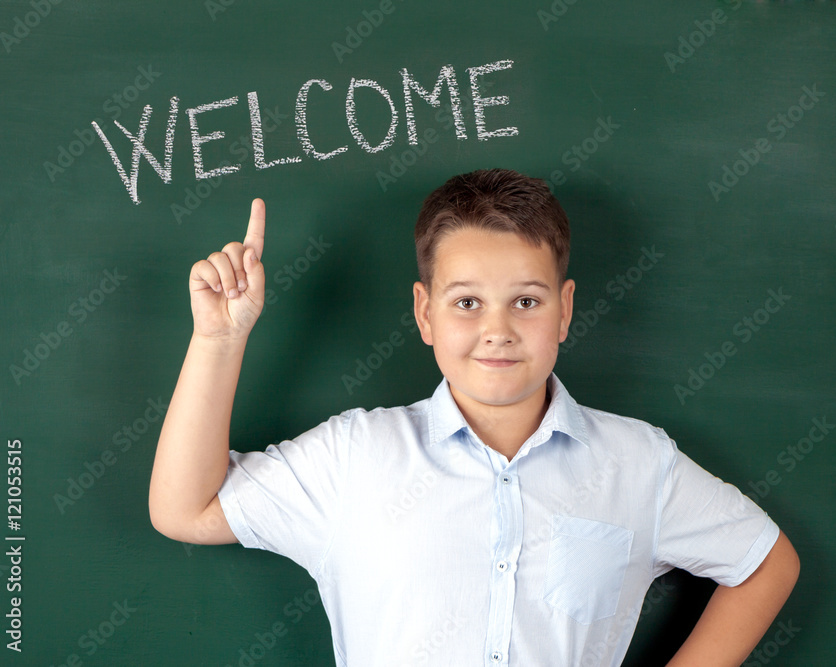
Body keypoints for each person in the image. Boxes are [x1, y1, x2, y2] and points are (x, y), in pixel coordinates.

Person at [149, 168, 800, 666]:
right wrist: (218, 338)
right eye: (466, 302)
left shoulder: (637, 463)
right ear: (425, 312)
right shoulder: (356, 456)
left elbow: (765, 561)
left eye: (526, 300)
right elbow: (187, 509)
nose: (497, 329)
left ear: (566, 310)